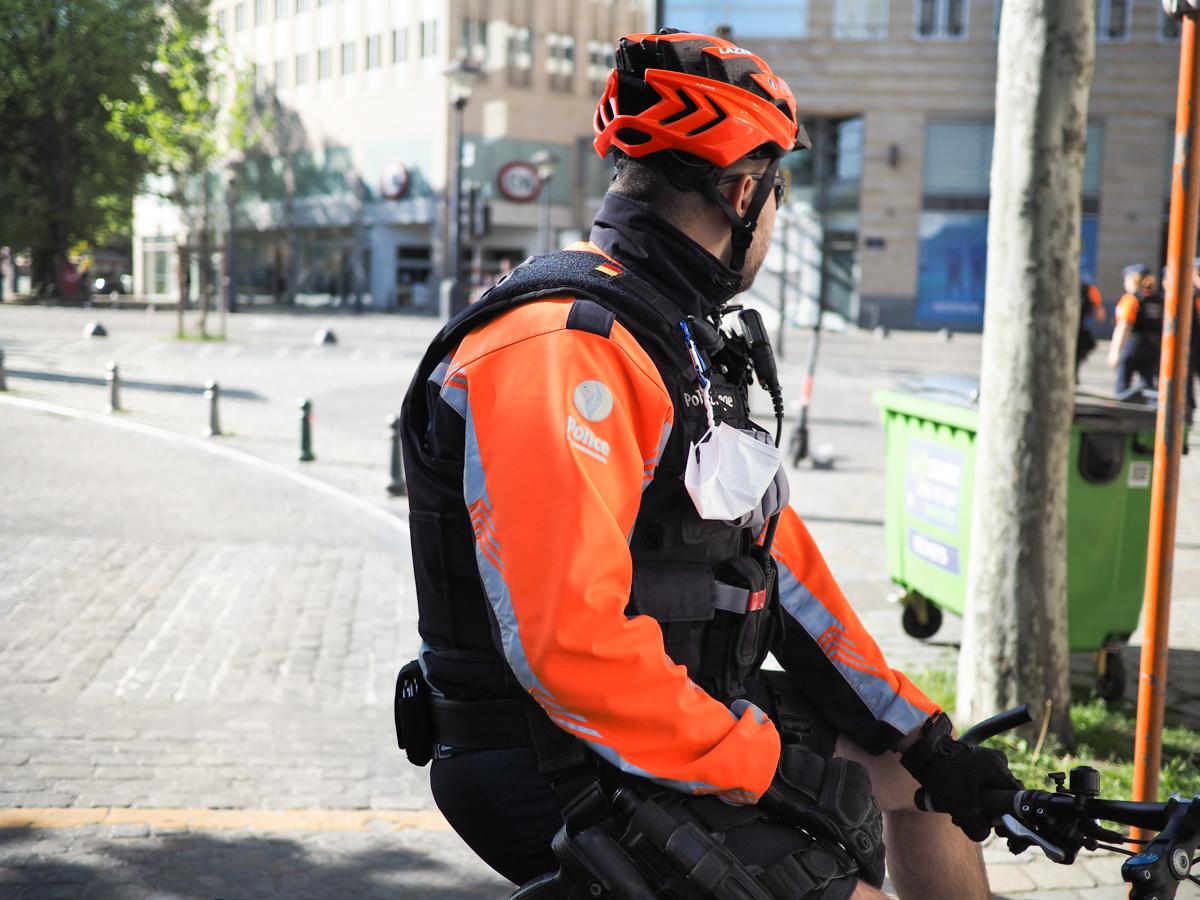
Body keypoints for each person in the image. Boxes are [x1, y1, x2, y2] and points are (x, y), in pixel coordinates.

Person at [397, 30, 1020, 900]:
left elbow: (774, 564)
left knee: (915, 784)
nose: (775, 218)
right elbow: (566, 650)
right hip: (548, 755)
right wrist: (770, 767)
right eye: (778, 196)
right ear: (740, 192)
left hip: (673, 710)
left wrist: (918, 733)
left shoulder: (675, 335)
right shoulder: (559, 348)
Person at [1109, 264, 1164, 396]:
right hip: (1152, 345)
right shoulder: (1157, 299)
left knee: (1122, 386)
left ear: (1133, 280)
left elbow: (1124, 325)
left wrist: (1115, 351)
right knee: (1149, 384)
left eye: (1126, 279)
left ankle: (1124, 412)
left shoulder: (1131, 299)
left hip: (1133, 344)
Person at [1075, 278, 1105, 378]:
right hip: (1078, 332)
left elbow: (1099, 314)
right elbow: (1100, 316)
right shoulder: (1088, 289)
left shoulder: (1089, 289)